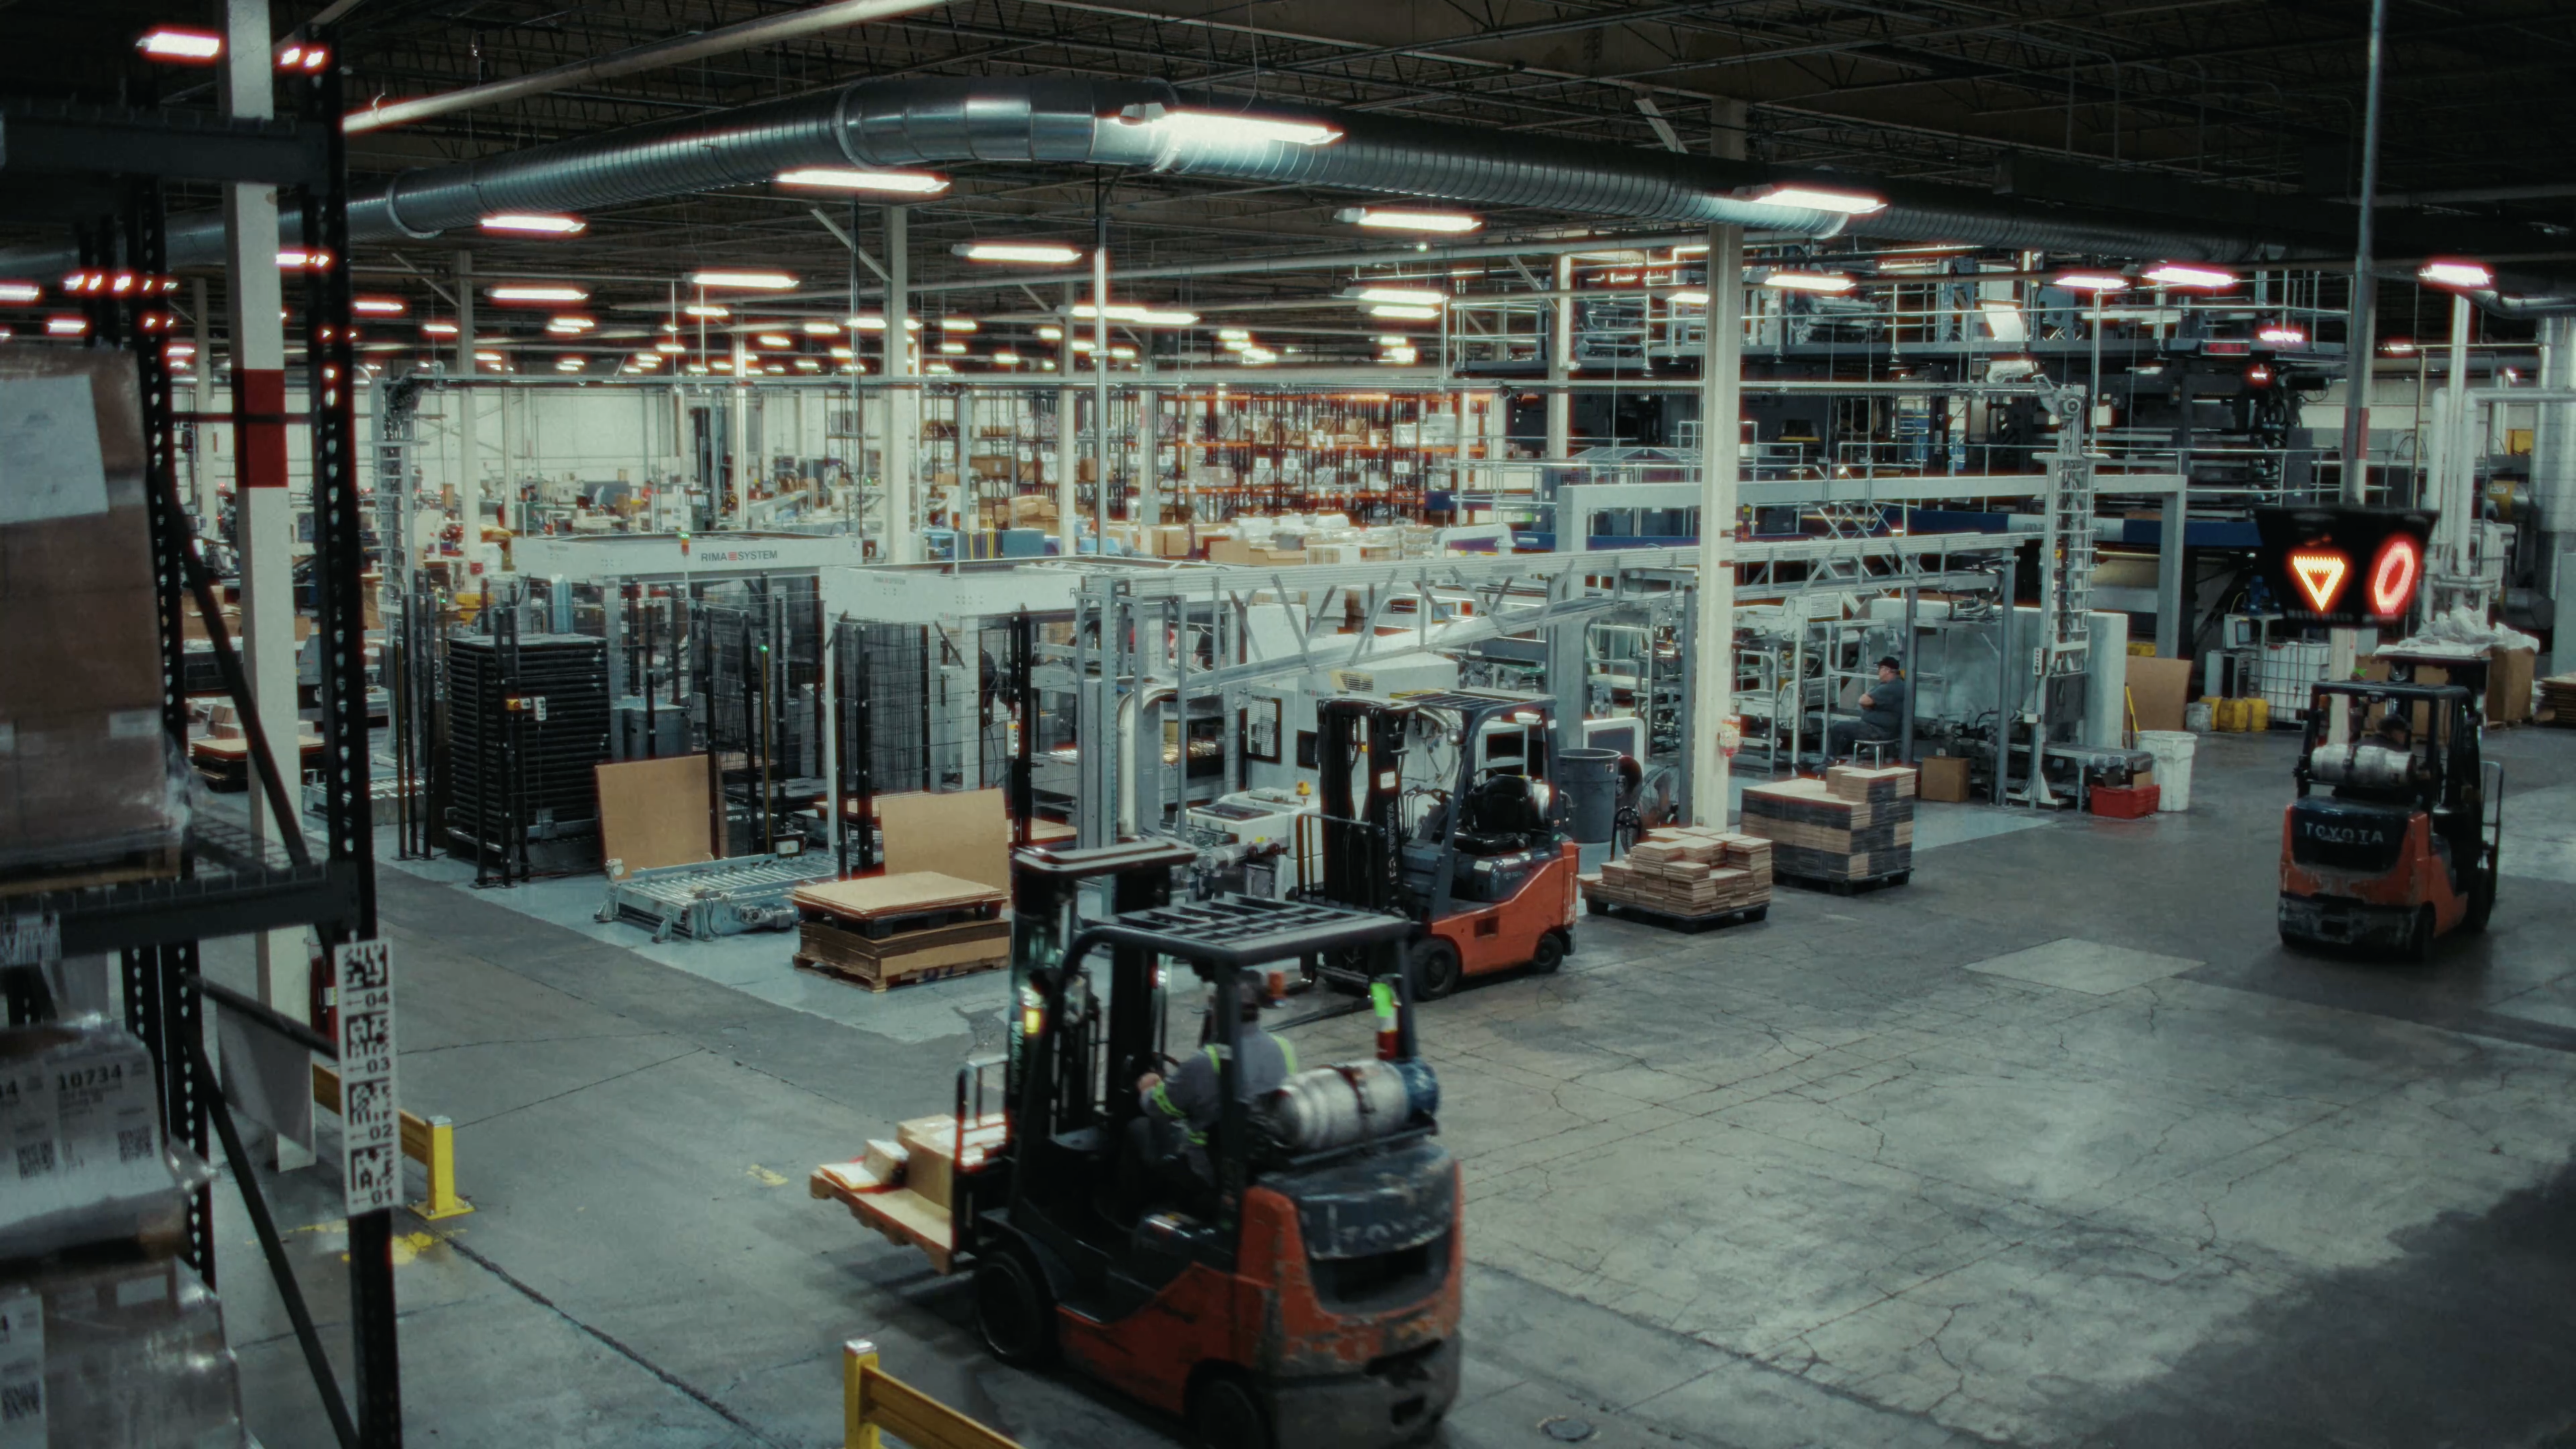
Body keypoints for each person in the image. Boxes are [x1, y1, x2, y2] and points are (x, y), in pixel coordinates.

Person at [1120, 977, 1298, 1210]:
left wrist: (1148, 1087)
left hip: (1210, 1172)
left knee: (1139, 1129)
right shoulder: (1284, 1048)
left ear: (1217, 1012)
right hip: (1262, 1162)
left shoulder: (1207, 1062)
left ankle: (1128, 1216)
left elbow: (1160, 1108)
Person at [1826, 656, 1909, 761]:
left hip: (1878, 731)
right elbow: (1868, 701)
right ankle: (1837, 765)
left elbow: (1863, 701)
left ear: (1887, 671)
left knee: (1838, 728)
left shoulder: (1893, 686)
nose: (1878, 671)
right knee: (1846, 742)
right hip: (1875, 728)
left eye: (1880, 668)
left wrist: (1868, 697)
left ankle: (1829, 762)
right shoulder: (1888, 685)